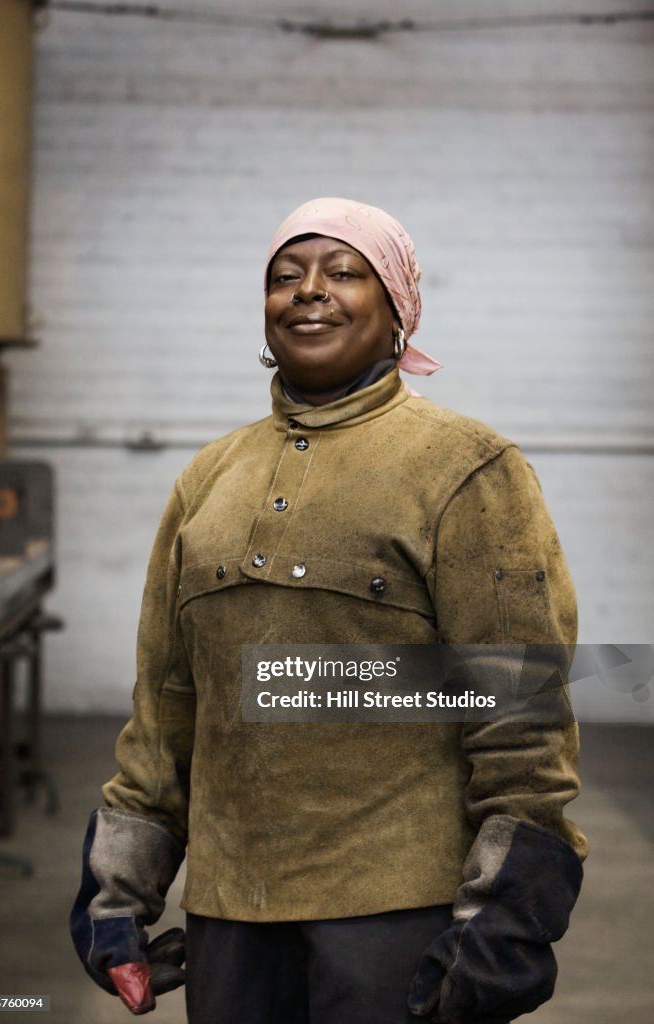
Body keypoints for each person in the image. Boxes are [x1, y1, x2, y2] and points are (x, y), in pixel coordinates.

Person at [70, 197, 587, 1023]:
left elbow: (520, 713)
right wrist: (115, 894)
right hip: (231, 917)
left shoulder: (466, 468)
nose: (309, 291)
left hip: (396, 919)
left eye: (345, 272)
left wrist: (508, 918)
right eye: (285, 276)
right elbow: (167, 710)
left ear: (398, 315)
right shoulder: (209, 478)